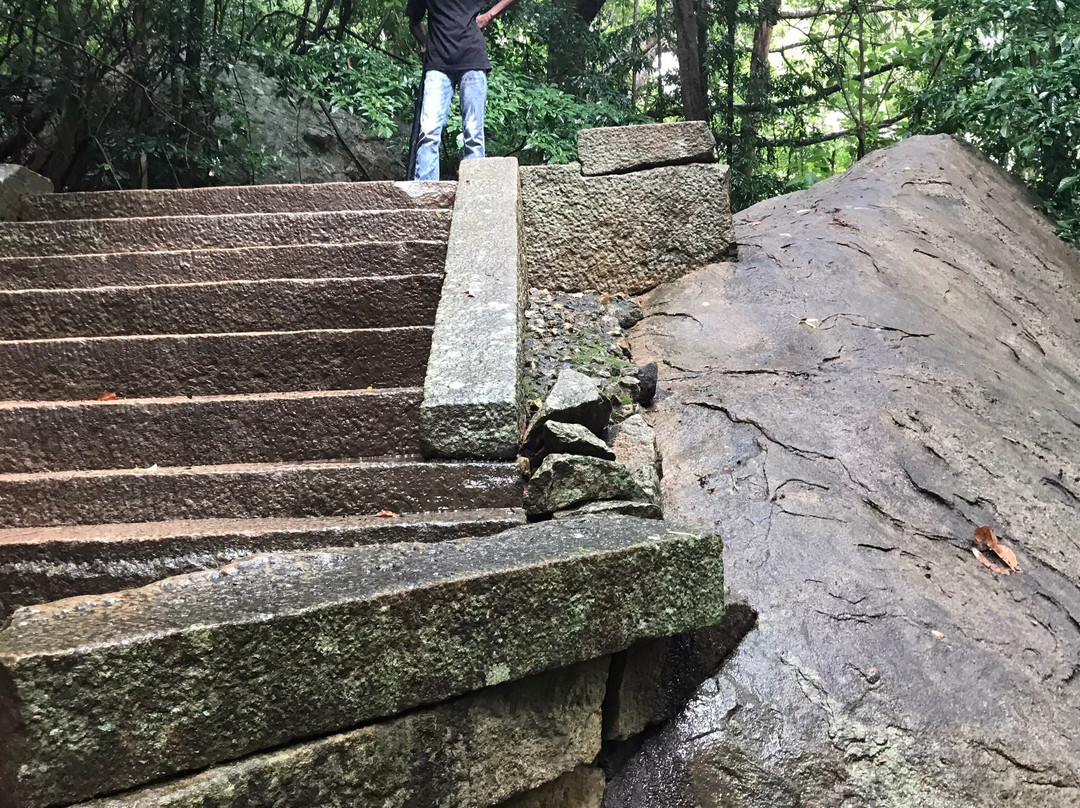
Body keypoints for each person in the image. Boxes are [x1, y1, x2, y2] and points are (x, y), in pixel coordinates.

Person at [406, 0, 518, 180]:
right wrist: (425, 44)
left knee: (473, 134)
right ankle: (425, 194)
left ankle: (473, 191)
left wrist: (488, 16)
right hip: (437, 63)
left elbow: (414, 24)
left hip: (472, 58)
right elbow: (414, 22)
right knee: (428, 132)